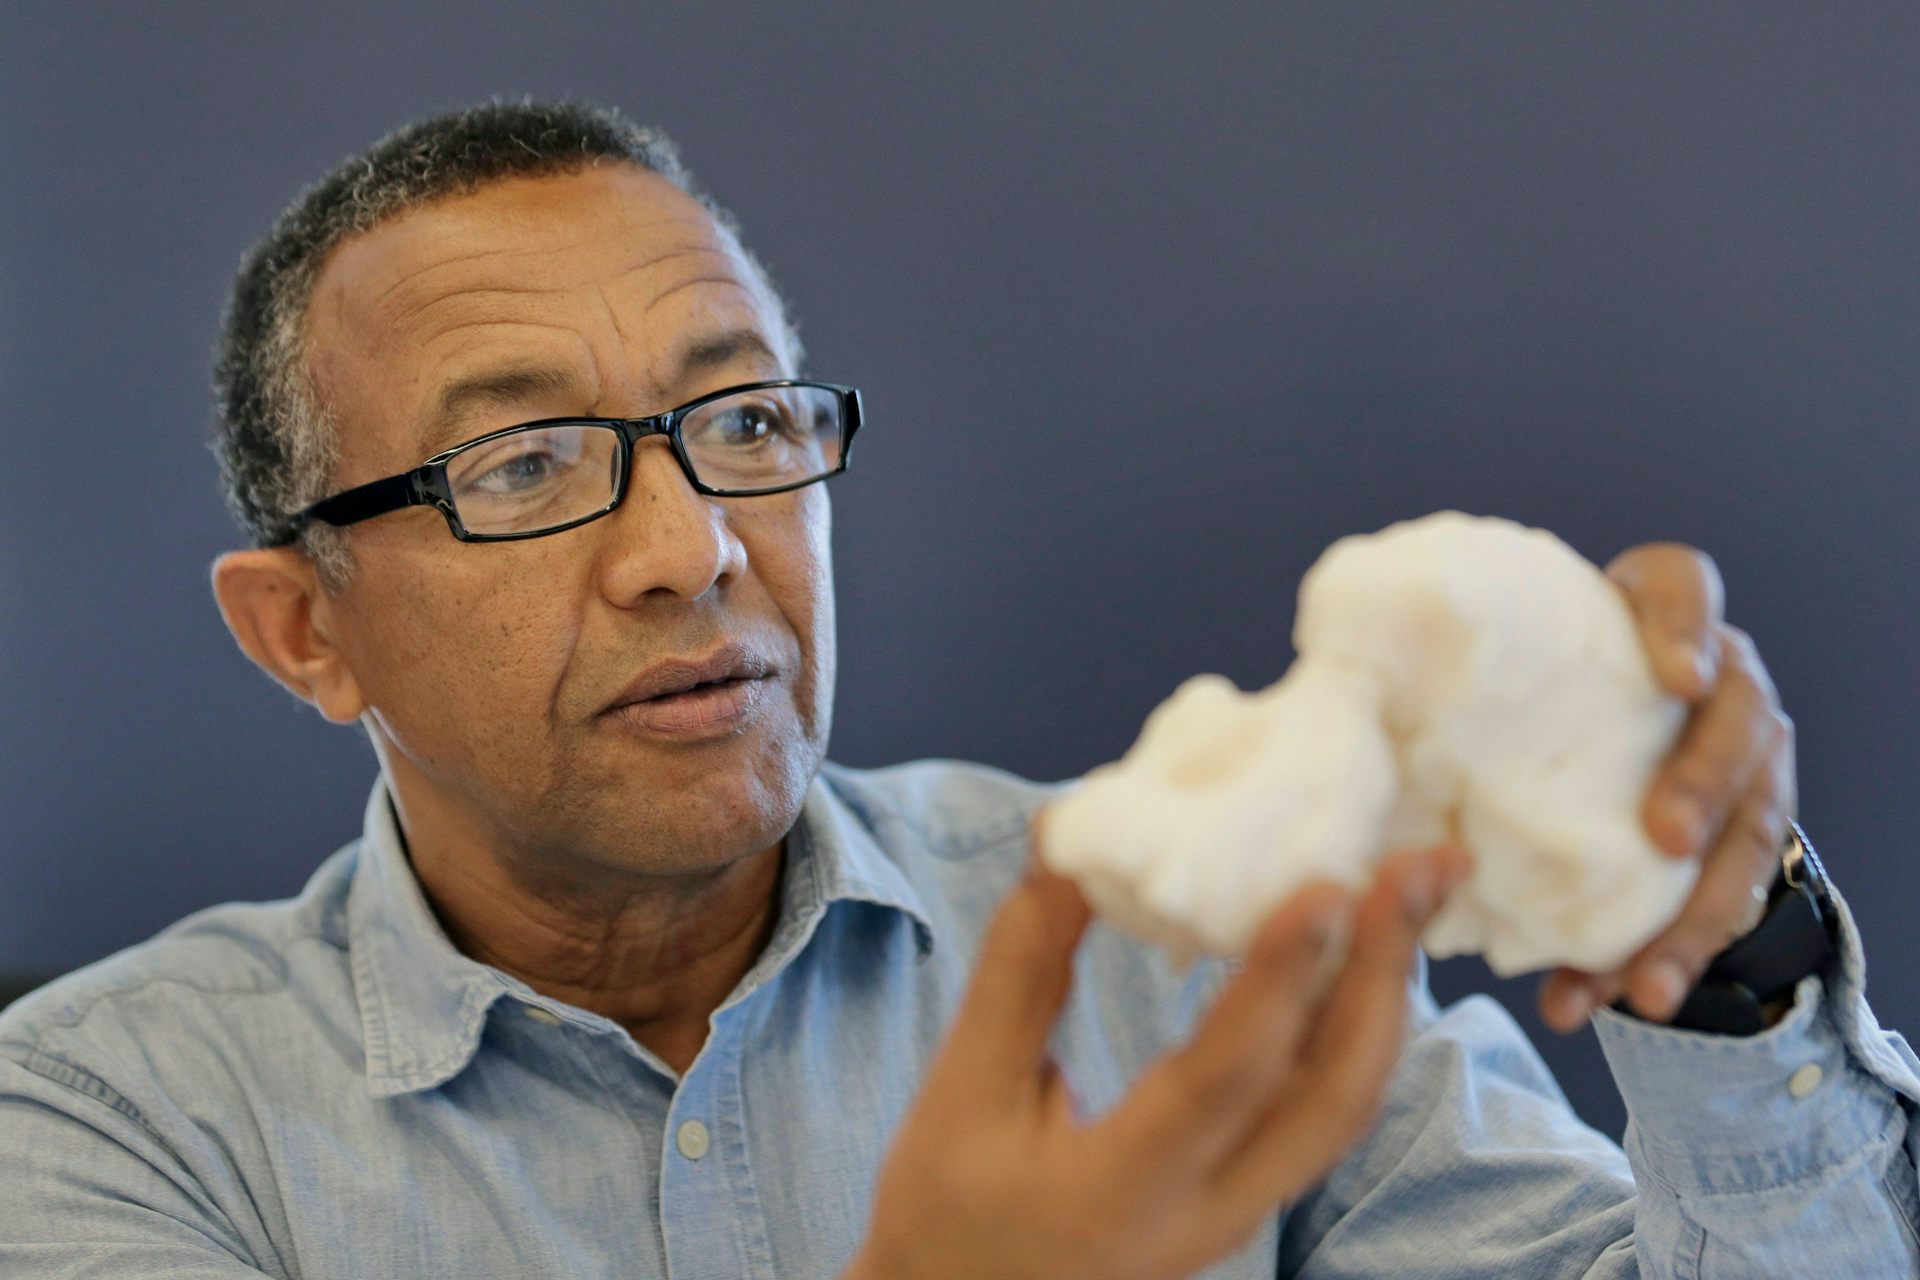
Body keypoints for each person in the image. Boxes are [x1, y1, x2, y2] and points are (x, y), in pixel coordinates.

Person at [1, 99, 1914, 1280]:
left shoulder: (1189, 938)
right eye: (521, 467)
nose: (692, 548)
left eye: (744, 421)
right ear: (302, 632)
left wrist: (1728, 976)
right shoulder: (106, 1123)